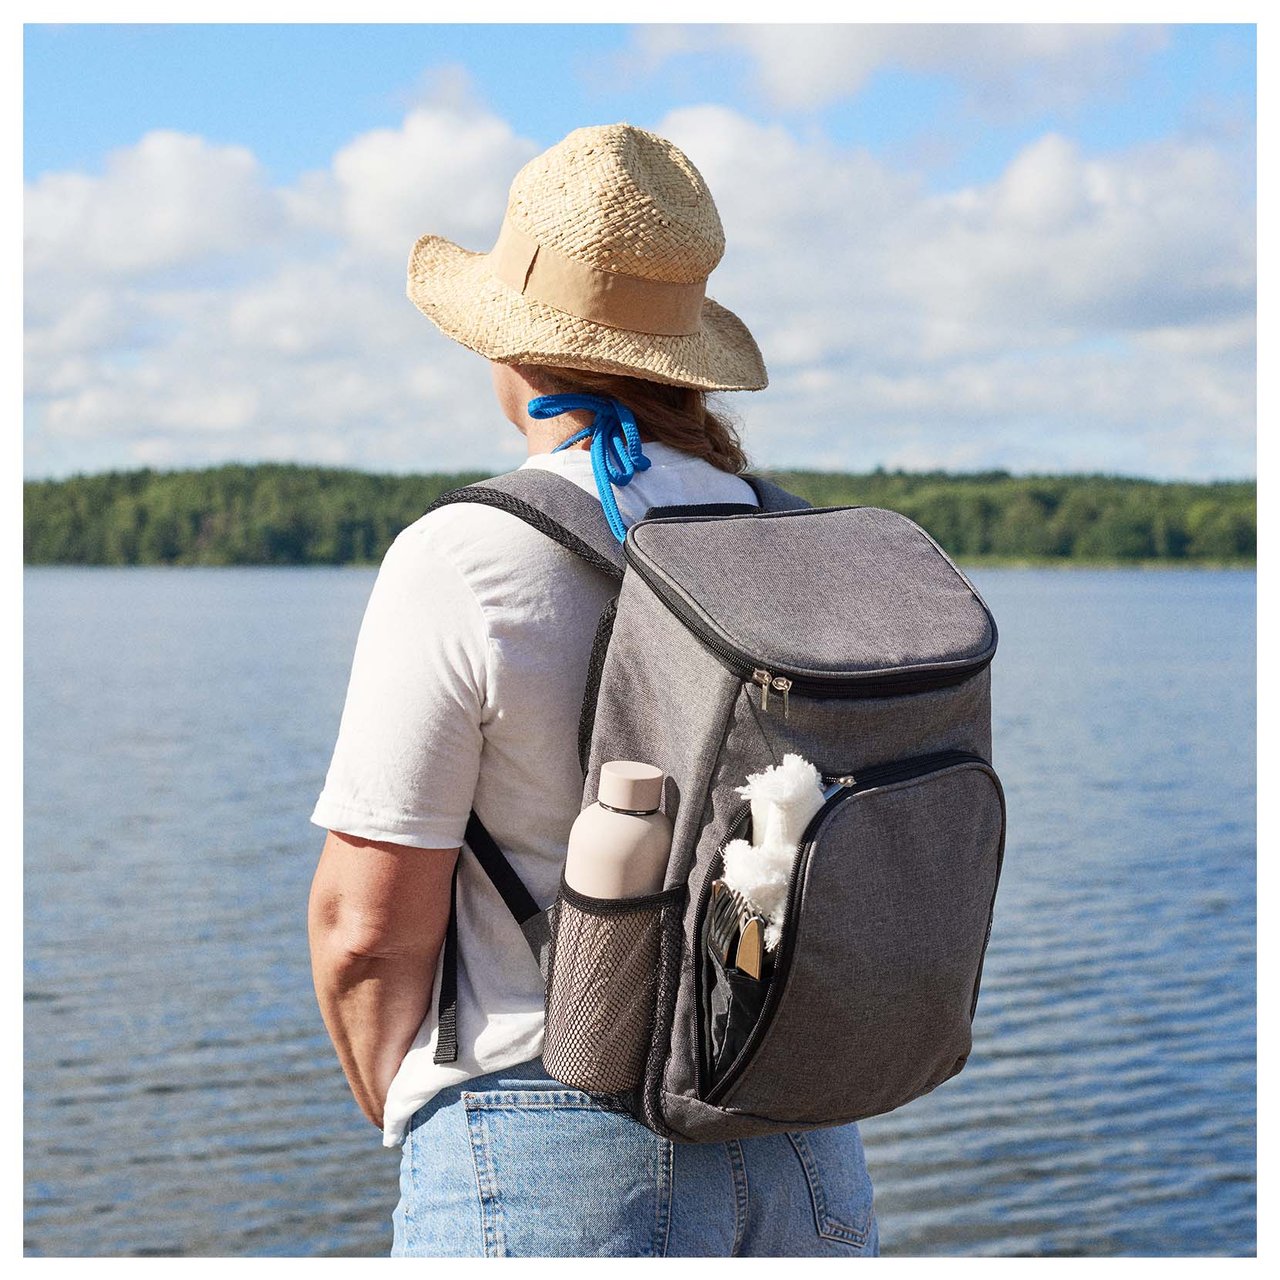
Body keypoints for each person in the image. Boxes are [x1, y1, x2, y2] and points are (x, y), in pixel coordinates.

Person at [307, 122, 878, 1258]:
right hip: (804, 1138)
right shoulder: (788, 533)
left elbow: (365, 927)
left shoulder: (464, 554)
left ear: (509, 345)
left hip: (546, 1141)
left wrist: (416, 1105)